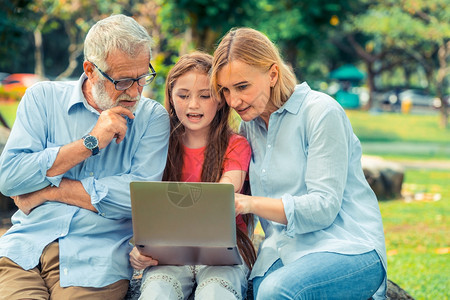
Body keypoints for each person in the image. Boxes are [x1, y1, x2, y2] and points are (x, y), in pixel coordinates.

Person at [0, 14, 170, 299]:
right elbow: (9, 178)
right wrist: (89, 143)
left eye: (143, 77)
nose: (135, 91)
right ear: (90, 70)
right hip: (23, 253)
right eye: (124, 81)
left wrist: (48, 191)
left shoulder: (152, 118)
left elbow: (140, 200)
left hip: (95, 264)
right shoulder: (42, 99)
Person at [211, 27, 387, 300]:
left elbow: (323, 206)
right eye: (225, 90)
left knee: (275, 291)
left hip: (346, 246)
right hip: (281, 252)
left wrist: (248, 202)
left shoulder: (320, 112)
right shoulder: (248, 130)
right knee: (265, 290)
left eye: (242, 86)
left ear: (272, 74)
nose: (233, 101)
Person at [129, 52, 256, 300]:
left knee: (216, 292)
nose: (193, 104)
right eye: (183, 95)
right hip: (169, 251)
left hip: (223, 253)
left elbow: (223, 197)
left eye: (205, 96)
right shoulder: (159, 144)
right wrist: (138, 249)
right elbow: (145, 206)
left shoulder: (235, 145)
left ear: (220, 100)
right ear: (171, 98)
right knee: (156, 291)